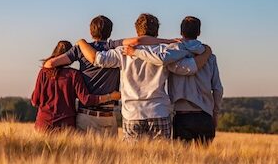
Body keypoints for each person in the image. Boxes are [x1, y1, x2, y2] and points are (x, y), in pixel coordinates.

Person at [76, 14, 211, 140]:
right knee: (161, 161)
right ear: (157, 32)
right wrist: (206, 53)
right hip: (159, 111)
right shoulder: (166, 51)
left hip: (132, 113)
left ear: (137, 31)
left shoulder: (122, 51)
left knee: (132, 161)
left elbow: (97, 59)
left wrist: (81, 42)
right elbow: (189, 68)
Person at [44, 15, 175, 135]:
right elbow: (136, 40)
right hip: (109, 116)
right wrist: (167, 41)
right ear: (110, 32)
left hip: (86, 115)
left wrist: (74, 68)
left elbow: (50, 64)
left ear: (91, 31)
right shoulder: (113, 46)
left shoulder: (80, 49)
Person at [124, 16, 223, 144]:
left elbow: (162, 60)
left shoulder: (172, 54)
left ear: (181, 32)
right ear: (199, 33)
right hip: (205, 116)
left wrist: (135, 52)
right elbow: (217, 89)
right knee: (204, 162)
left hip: (182, 117)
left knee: (182, 162)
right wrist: (215, 114)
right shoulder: (209, 57)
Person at [31, 40, 121, 132]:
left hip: (43, 124)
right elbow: (86, 100)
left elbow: (35, 101)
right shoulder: (74, 74)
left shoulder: (43, 72)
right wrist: (110, 96)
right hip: (66, 126)